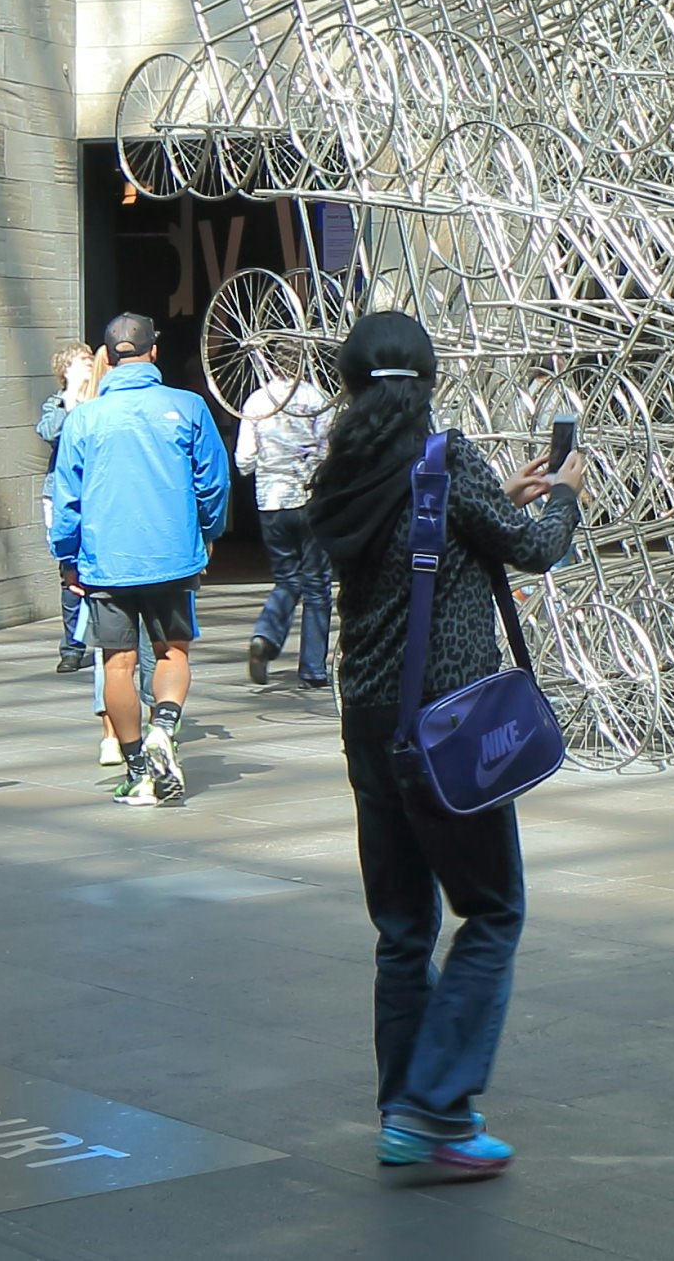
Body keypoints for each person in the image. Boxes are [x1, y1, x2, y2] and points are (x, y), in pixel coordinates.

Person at [304, 310, 584, 1181]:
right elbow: (535, 551)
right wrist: (565, 490)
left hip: (368, 721)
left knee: (401, 926)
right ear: (428, 379)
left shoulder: (343, 474)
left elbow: (424, 535)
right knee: (493, 908)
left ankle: (404, 1107)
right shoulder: (444, 460)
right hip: (446, 723)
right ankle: (437, 1107)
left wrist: (505, 489)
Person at [48, 314, 230, 806]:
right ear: (154, 352)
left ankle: (136, 770)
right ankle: (163, 731)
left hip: (106, 560)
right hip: (172, 555)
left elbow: (66, 500)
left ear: (108, 357)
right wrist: (208, 533)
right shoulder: (188, 406)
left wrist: (67, 559)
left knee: (117, 664)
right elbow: (215, 482)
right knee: (173, 651)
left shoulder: (83, 418)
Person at [239, 353, 341, 688]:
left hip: (271, 501)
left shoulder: (256, 401)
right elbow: (330, 450)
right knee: (317, 585)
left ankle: (266, 635)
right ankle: (312, 668)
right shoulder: (315, 399)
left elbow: (244, 460)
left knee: (287, 579)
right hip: (310, 501)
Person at [38, 344, 101, 680]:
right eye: (82, 359)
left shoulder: (104, 398)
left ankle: (108, 635)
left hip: (98, 494)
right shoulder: (56, 404)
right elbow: (48, 431)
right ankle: (72, 647)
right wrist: (72, 396)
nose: (89, 361)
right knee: (71, 571)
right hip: (63, 495)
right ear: (66, 369)